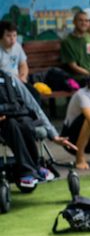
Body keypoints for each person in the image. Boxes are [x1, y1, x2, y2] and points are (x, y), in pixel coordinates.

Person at [0, 57, 75, 189]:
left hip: (20, 117)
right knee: (12, 124)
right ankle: (30, 170)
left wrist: (53, 135)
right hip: (4, 122)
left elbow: (34, 107)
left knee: (25, 124)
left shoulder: (10, 78)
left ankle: (33, 168)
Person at [60, 9, 90, 82]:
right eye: (80, 20)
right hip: (80, 77)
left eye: (86, 21)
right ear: (74, 22)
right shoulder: (67, 41)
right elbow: (73, 66)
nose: (84, 23)